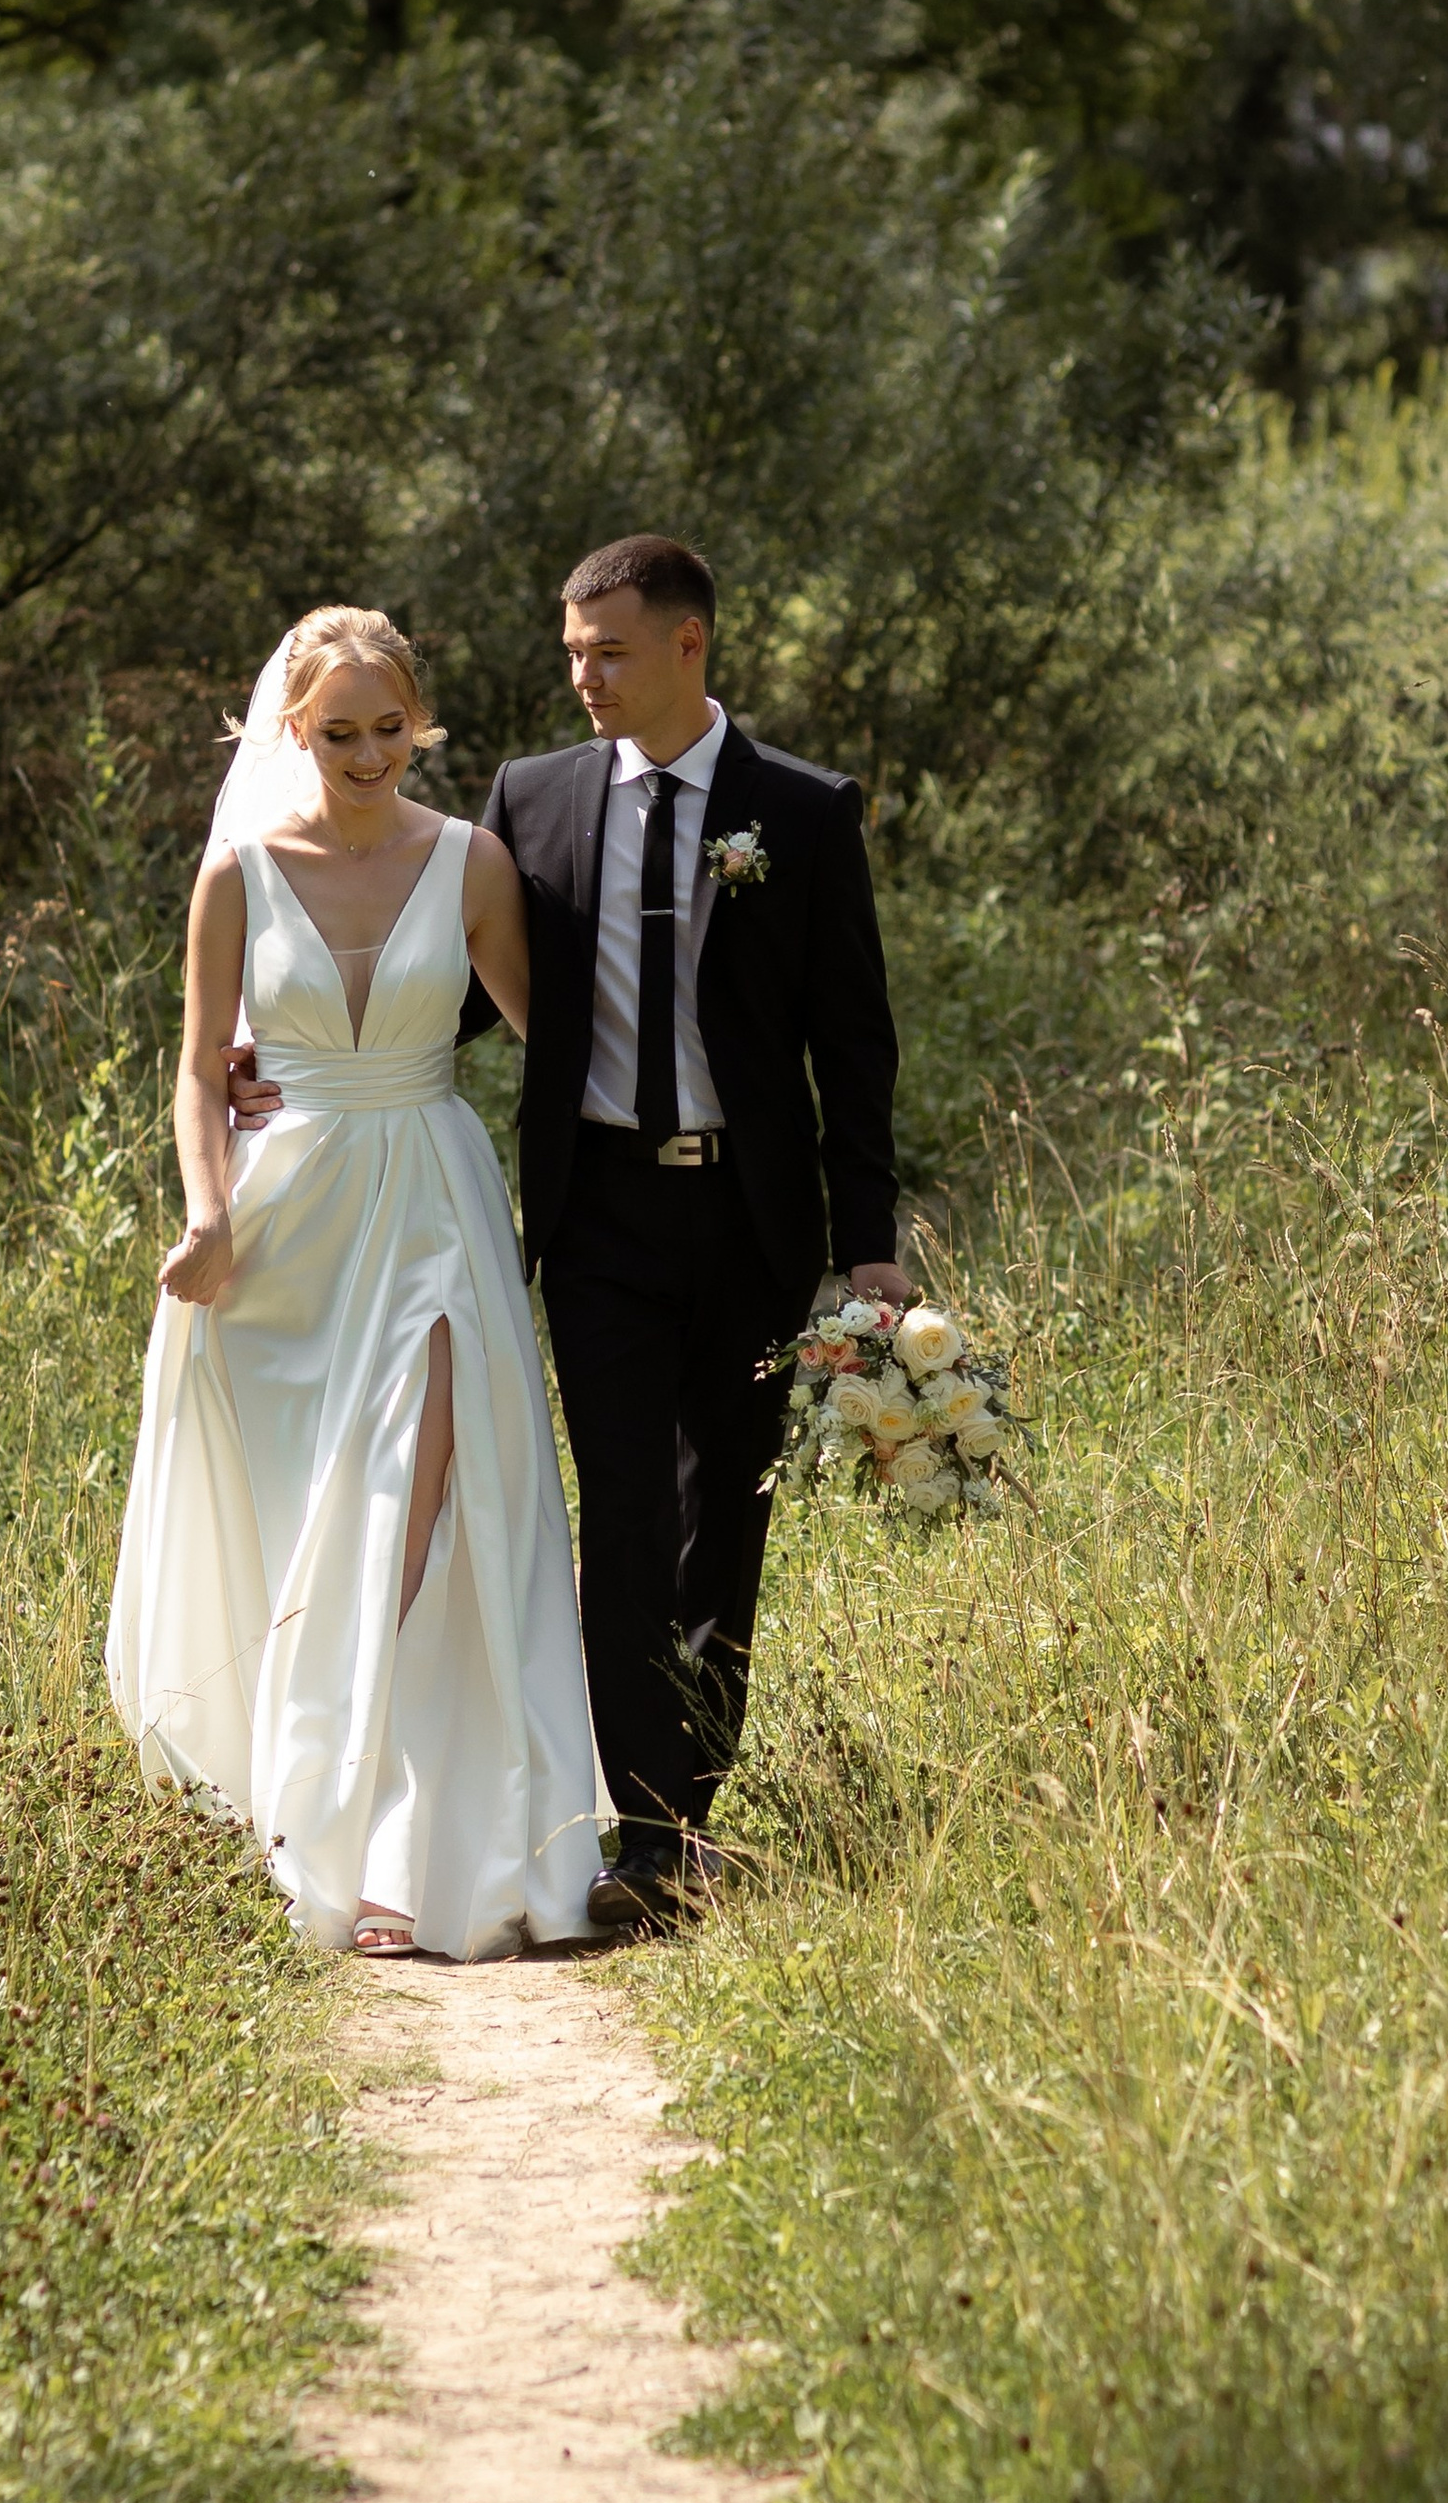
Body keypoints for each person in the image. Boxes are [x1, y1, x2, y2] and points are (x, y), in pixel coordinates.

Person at [232, 537, 907, 1932]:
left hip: (749, 1215)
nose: (586, 678)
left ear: (688, 649)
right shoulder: (529, 805)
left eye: (609, 653)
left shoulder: (802, 810)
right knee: (624, 1507)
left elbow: (854, 1045)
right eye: (573, 656)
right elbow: (462, 991)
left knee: (726, 1513)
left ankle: (688, 1807)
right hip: (599, 1214)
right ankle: (640, 1835)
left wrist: (869, 1243)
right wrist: (294, 1065)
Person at [105, 607, 605, 1960]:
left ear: (419, 723)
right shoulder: (239, 880)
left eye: (394, 728)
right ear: (294, 733)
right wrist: (208, 1217)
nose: (372, 753)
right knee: (311, 1524)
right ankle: (302, 1810)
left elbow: (558, 1042)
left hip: (435, 1205)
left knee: (420, 1503)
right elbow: (201, 1068)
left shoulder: (475, 862)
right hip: (284, 1231)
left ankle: (379, 1848)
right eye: (342, 733)